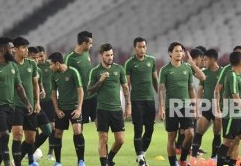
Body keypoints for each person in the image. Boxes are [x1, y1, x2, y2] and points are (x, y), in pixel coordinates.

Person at [0, 37, 33, 166]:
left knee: (2, 138)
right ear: (3, 49)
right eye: (11, 49)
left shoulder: (13, 65)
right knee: (4, 135)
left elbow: (19, 87)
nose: (13, 51)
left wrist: (27, 103)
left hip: (11, 107)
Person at [158, 42, 205, 166]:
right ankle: (173, 163)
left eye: (181, 51)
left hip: (185, 106)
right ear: (170, 53)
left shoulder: (187, 68)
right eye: (176, 51)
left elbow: (192, 88)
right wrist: (161, 107)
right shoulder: (165, 70)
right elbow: (161, 90)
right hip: (171, 106)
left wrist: (195, 108)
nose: (179, 53)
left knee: (190, 134)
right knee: (172, 137)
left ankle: (183, 159)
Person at [88, 43, 131, 166]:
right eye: (107, 55)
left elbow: (125, 88)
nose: (110, 57)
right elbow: (90, 90)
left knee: (120, 140)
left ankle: (109, 158)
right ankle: (104, 164)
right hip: (102, 110)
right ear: (101, 55)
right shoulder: (95, 71)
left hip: (116, 110)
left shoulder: (119, 69)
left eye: (111, 55)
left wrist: (128, 105)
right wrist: (100, 80)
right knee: (103, 139)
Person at [124, 37, 158, 166]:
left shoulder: (151, 60)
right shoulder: (130, 63)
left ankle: (142, 154)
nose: (142, 49)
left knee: (150, 129)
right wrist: (128, 104)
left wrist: (160, 97)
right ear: (135, 48)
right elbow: (127, 85)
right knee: (138, 130)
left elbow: (155, 79)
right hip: (136, 101)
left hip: (150, 100)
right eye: (139, 47)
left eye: (144, 47)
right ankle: (140, 158)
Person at [49, 52, 85, 166]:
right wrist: (57, 110)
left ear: (57, 63)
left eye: (51, 64)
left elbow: (80, 91)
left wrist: (79, 109)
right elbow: (53, 95)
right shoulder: (53, 76)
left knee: (77, 130)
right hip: (62, 109)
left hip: (74, 107)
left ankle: (81, 161)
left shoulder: (73, 72)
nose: (50, 67)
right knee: (58, 133)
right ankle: (58, 162)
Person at [11, 37, 41, 166]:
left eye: (27, 47)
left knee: (31, 138)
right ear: (15, 49)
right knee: (17, 134)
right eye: (23, 47)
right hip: (15, 105)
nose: (26, 50)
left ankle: (30, 160)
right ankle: (17, 163)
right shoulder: (10, 64)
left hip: (30, 106)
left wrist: (37, 102)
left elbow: (35, 85)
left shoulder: (31, 64)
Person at [19, 47, 52, 162]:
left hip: (36, 105)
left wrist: (42, 91)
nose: (36, 60)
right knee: (30, 137)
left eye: (38, 58)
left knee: (48, 130)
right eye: (34, 58)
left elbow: (39, 85)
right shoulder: (21, 68)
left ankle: (29, 152)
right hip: (24, 106)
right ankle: (22, 159)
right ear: (27, 57)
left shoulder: (39, 70)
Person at [191, 48, 222, 161]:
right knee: (199, 131)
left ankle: (214, 157)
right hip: (206, 106)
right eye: (203, 60)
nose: (204, 62)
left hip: (218, 107)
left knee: (217, 132)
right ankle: (193, 157)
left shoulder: (223, 72)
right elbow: (199, 91)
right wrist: (197, 108)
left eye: (206, 60)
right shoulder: (204, 73)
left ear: (213, 59)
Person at [65, 31, 94, 124]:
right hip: (80, 99)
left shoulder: (86, 53)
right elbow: (66, 78)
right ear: (83, 43)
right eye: (90, 43)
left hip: (93, 96)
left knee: (101, 127)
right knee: (78, 128)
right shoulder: (70, 58)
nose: (91, 46)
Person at [36, 46, 56, 161]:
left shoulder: (50, 65)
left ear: (45, 54)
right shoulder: (34, 66)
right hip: (37, 101)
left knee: (52, 127)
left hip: (49, 100)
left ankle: (50, 152)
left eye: (41, 55)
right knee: (35, 128)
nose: (40, 58)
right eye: (38, 56)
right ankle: (33, 149)